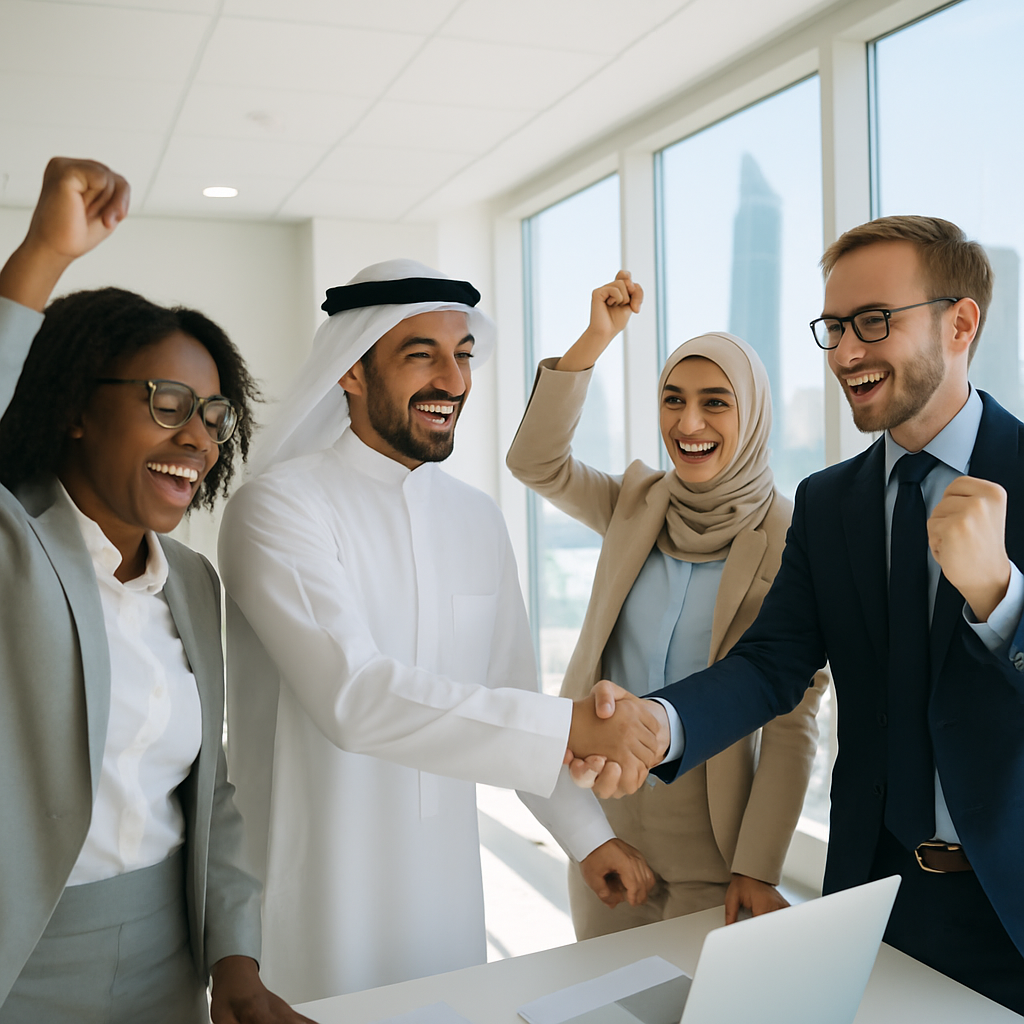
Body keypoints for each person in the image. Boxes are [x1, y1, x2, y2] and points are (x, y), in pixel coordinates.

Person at [582, 218, 1024, 1013]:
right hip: (873, 900)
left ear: (961, 324)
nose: (846, 352)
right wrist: (658, 722)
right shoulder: (828, 502)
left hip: (1012, 908)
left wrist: (1002, 598)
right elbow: (771, 664)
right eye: (835, 327)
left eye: (873, 322)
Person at [217, 260, 663, 1003]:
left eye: (463, 355)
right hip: (318, 894)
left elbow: (509, 695)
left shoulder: (477, 518)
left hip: (446, 894)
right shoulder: (278, 508)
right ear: (350, 370)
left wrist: (589, 837)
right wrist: (576, 725)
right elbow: (356, 699)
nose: (453, 380)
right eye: (421, 355)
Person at [0, 158, 311, 1024]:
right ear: (75, 407)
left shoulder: (193, 585)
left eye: (213, 415)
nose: (199, 437)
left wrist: (236, 963)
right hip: (20, 962)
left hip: (166, 963)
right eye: (168, 403)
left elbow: (209, 791)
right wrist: (42, 255)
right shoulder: (14, 551)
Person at [507, 272, 825, 938]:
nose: (689, 423)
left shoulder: (792, 537)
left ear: (752, 415)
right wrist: (596, 339)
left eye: (715, 403)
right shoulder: (636, 501)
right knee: (600, 993)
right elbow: (535, 461)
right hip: (604, 823)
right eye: (673, 400)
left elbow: (792, 720)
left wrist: (759, 865)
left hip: (716, 848)